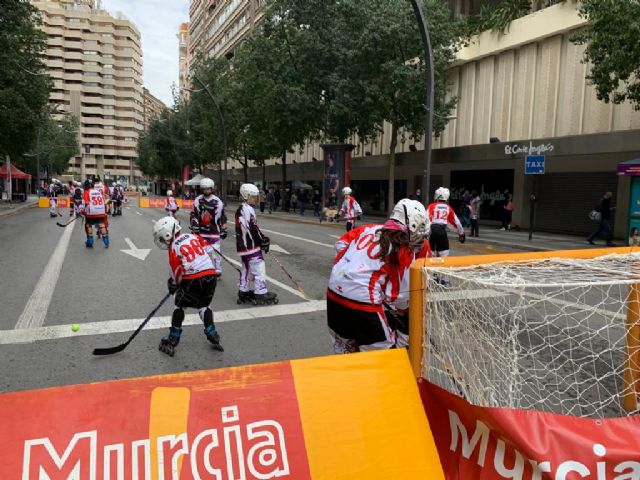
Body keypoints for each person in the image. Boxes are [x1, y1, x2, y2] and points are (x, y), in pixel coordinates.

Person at [328, 199, 430, 353]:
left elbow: (340, 244)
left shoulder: (369, 229)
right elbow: (398, 297)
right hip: (363, 303)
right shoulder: (403, 247)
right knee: (385, 358)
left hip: (333, 292)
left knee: (345, 350)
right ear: (413, 225)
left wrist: (349, 269)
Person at [152, 216, 223, 356]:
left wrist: (173, 284)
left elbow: (176, 272)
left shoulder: (173, 247)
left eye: (162, 238)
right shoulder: (192, 236)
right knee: (204, 305)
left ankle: (173, 337)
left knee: (179, 304)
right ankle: (211, 332)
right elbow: (209, 250)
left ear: (167, 234)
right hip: (210, 275)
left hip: (193, 278)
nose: (162, 242)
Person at [235, 183, 278, 305]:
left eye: (255, 196)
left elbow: (252, 228)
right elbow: (253, 229)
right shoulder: (247, 210)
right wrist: (262, 240)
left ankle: (243, 291)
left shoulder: (242, 209)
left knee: (246, 268)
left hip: (244, 246)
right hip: (250, 246)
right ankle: (261, 292)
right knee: (259, 267)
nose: (255, 199)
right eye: (253, 196)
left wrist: (262, 238)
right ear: (245, 196)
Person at [190, 178, 227, 278]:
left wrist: (224, 229)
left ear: (212, 189)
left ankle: (217, 270)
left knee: (216, 253)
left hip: (214, 232)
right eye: (204, 189)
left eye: (208, 189)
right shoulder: (198, 200)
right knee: (202, 254)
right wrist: (194, 225)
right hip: (201, 232)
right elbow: (193, 214)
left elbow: (223, 217)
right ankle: (203, 270)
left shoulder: (217, 201)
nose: (206, 191)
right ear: (201, 189)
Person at [427, 187, 465, 257]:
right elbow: (457, 222)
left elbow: (426, 219)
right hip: (442, 231)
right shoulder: (448, 208)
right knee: (443, 255)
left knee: (429, 254)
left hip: (431, 231)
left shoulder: (431, 206)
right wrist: (461, 233)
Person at [82, 178, 110, 248]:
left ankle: (90, 241)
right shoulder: (98, 192)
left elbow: (85, 203)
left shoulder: (87, 192)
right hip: (101, 211)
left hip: (91, 212)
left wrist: (82, 211)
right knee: (101, 224)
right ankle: (106, 241)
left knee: (88, 225)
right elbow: (106, 198)